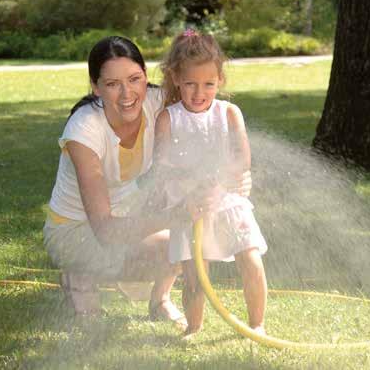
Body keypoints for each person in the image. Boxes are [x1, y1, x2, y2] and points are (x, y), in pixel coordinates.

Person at [43, 36, 252, 328]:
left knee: (187, 237)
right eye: (113, 84)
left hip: (130, 211)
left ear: (147, 77)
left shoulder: (157, 103)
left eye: (135, 79)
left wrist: (234, 175)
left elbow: (202, 107)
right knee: (175, 239)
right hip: (76, 230)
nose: (127, 94)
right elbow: (104, 229)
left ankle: (160, 300)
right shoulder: (84, 130)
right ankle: (80, 275)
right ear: (96, 87)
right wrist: (175, 216)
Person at [153, 30, 268, 337]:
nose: (199, 92)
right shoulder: (168, 118)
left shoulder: (229, 113)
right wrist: (188, 190)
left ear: (220, 80)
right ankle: (194, 326)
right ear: (176, 78)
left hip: (226, 201)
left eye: (209, 84)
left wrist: (218, 183)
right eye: (190, 83)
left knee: (251, 258)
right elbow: (161, 165)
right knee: (194, 274)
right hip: (188, 208)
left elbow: (241, 160)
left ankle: (257, 323)